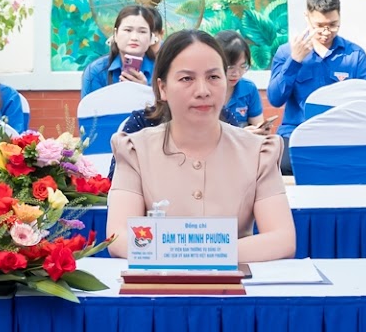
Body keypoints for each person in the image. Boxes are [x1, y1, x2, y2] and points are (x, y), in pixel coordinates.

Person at [110, 29, 295, 266]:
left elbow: (282, 239)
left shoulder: (257, 151)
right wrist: (204, 251)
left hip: (236, 286)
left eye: (213, 77)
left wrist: (192, 251)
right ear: (162, 88)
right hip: (161, 285)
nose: (203, 91)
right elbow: (118, 238)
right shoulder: (136, 150)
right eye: (186, 79)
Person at [266, 0, 366, 133]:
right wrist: (294, 61)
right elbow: (275, 99)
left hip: (341, 133)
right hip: (297, 131)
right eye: (319, 26)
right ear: (307, 17)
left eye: (333, 25)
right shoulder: (286, 53)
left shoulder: (354, 55)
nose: (326, 32)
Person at [79, 5, 158, 94]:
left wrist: (145, 91)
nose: (134, 37)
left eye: (142, 31)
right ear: (115, 34)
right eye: (128, 30)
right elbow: (90, 103)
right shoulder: (96, 71)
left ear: (151, 37)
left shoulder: (162, 71)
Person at [215, 32, 266, 128]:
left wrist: (261, 130)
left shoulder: (248, 89)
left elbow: (258, 125)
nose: (236, 74)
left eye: (243, 66)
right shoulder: (206, 91)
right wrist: (241, 134)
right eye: (230, 67)